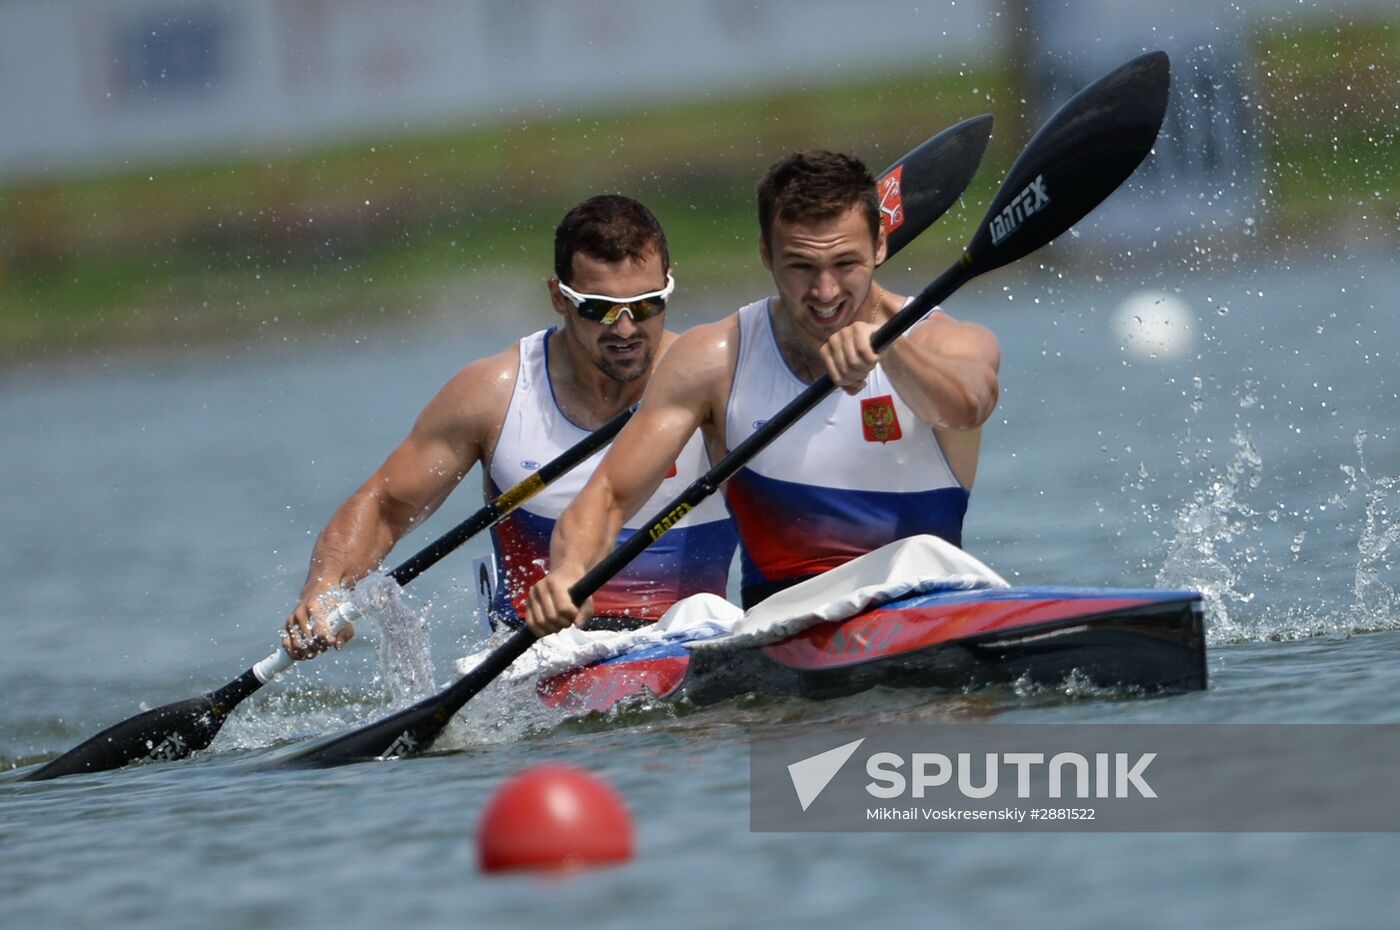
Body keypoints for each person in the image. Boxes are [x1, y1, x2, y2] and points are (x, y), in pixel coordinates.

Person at [526, 150, 1000, 636]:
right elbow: (607, 497)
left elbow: (969, 407)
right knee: (697, 615)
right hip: (784, 634)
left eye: (844, 263)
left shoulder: (942, 341)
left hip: (929, 607)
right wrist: (568, 573)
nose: (825, 291)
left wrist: (892, 348)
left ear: (880, 245)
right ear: (766, 254)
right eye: (800, 266)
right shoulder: (714, 360)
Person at [284, 194, 736, 658]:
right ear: (559, 297)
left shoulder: (717, 382)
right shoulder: (495, 393)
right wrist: (322, 591)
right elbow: (384, 507)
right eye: (598, 308)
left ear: (668, 285)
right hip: (543, 662)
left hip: (693, 642)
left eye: (645, 305)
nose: (624, 329)